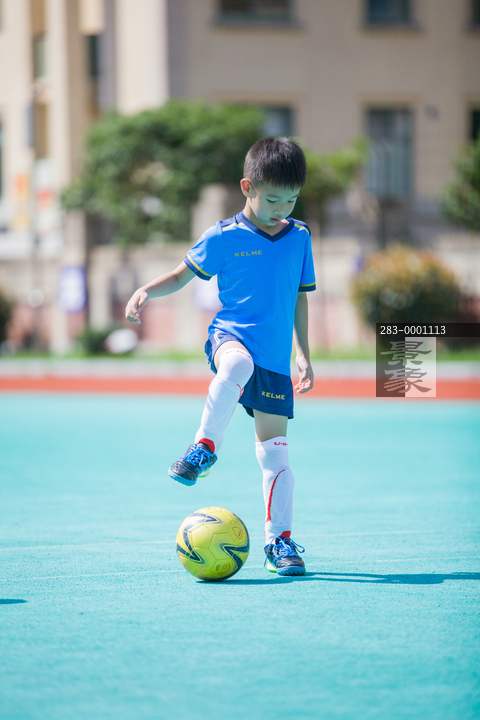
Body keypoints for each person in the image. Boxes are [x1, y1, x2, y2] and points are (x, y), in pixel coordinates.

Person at [125, 137, 316, 576]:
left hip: (275, 362)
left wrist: (303, 353)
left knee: (277, 457)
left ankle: (279, 543)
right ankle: (204, 448)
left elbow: (299, 297)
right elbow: (180, 276)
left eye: (291, 199)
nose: (281, 209)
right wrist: (146, 290)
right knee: (236, 364)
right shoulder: (223, 236)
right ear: (248, 187)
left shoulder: (300, 237)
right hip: (230, 337)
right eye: (272, 199)